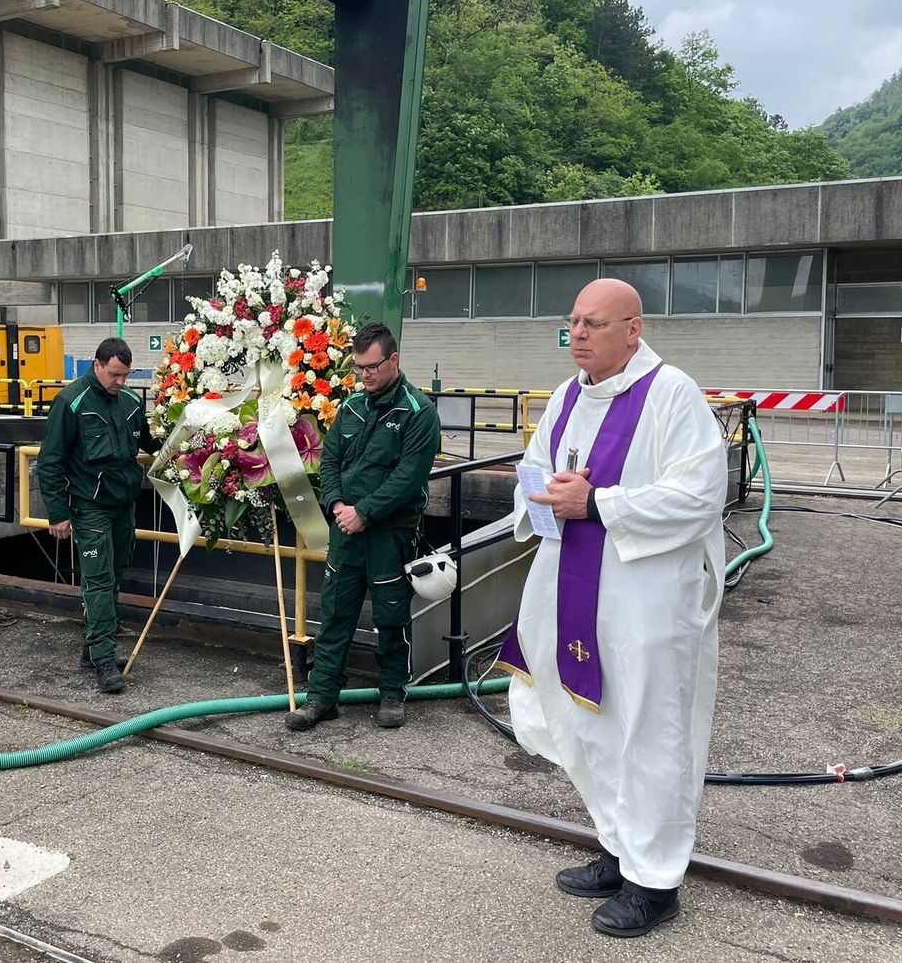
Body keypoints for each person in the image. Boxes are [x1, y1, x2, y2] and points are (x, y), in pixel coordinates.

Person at [496, 278, 726, 938]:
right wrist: (545, 494)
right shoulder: (567, 396)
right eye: (573, 322)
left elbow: (698, 496)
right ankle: (618, 844)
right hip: (574, 590)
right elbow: (532, 470)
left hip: (645, 605)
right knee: (592, 721)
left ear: (634, 329)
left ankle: (655, 882)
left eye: (595, 323)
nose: (578, 335)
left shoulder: (673, 394)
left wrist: (597, 503)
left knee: (648, 731)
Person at [287, 322, 440, 732]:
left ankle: (392, 693)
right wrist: (337, 504)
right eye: (359, 368)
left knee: (391, 614)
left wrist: (364, 512)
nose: (366, 375)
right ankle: (322, 697)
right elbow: (330, 460)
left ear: (394, 360)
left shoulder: (418, 412)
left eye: (372, 367)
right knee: (335, 611)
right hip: (346, 530)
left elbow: (408, 477)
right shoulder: (352, 408)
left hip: (390, 532)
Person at [37, 338, 152, 694]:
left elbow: (148, 442)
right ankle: (103, 656)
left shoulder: (131, 402)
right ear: (97, 365)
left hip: (123, 503)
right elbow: (50, 461)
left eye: (125, 376)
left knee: (115, 573)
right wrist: (58, 514)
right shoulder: (71, 402)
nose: (120, 382)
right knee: (98, 579)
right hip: (90, 505)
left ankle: (92, 647)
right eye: (115, 375)